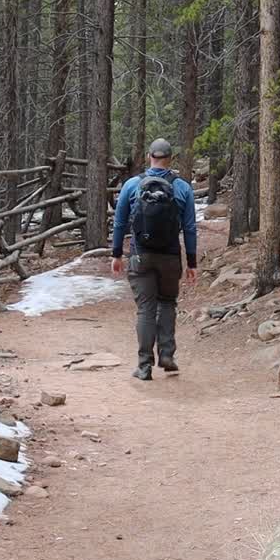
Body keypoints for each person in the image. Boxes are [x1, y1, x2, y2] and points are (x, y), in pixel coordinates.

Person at [111, 138, 199, 380]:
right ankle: (167, 354)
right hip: (170, 256)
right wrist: (192, 262)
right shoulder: (182, 188)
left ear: (150, 156)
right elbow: (190, 228)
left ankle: (144, 366)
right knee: (167, 303)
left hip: (141, 255)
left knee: (145, 309)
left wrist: (116, 254)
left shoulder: (132, 185)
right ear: (170, 158)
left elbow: (119, 222)